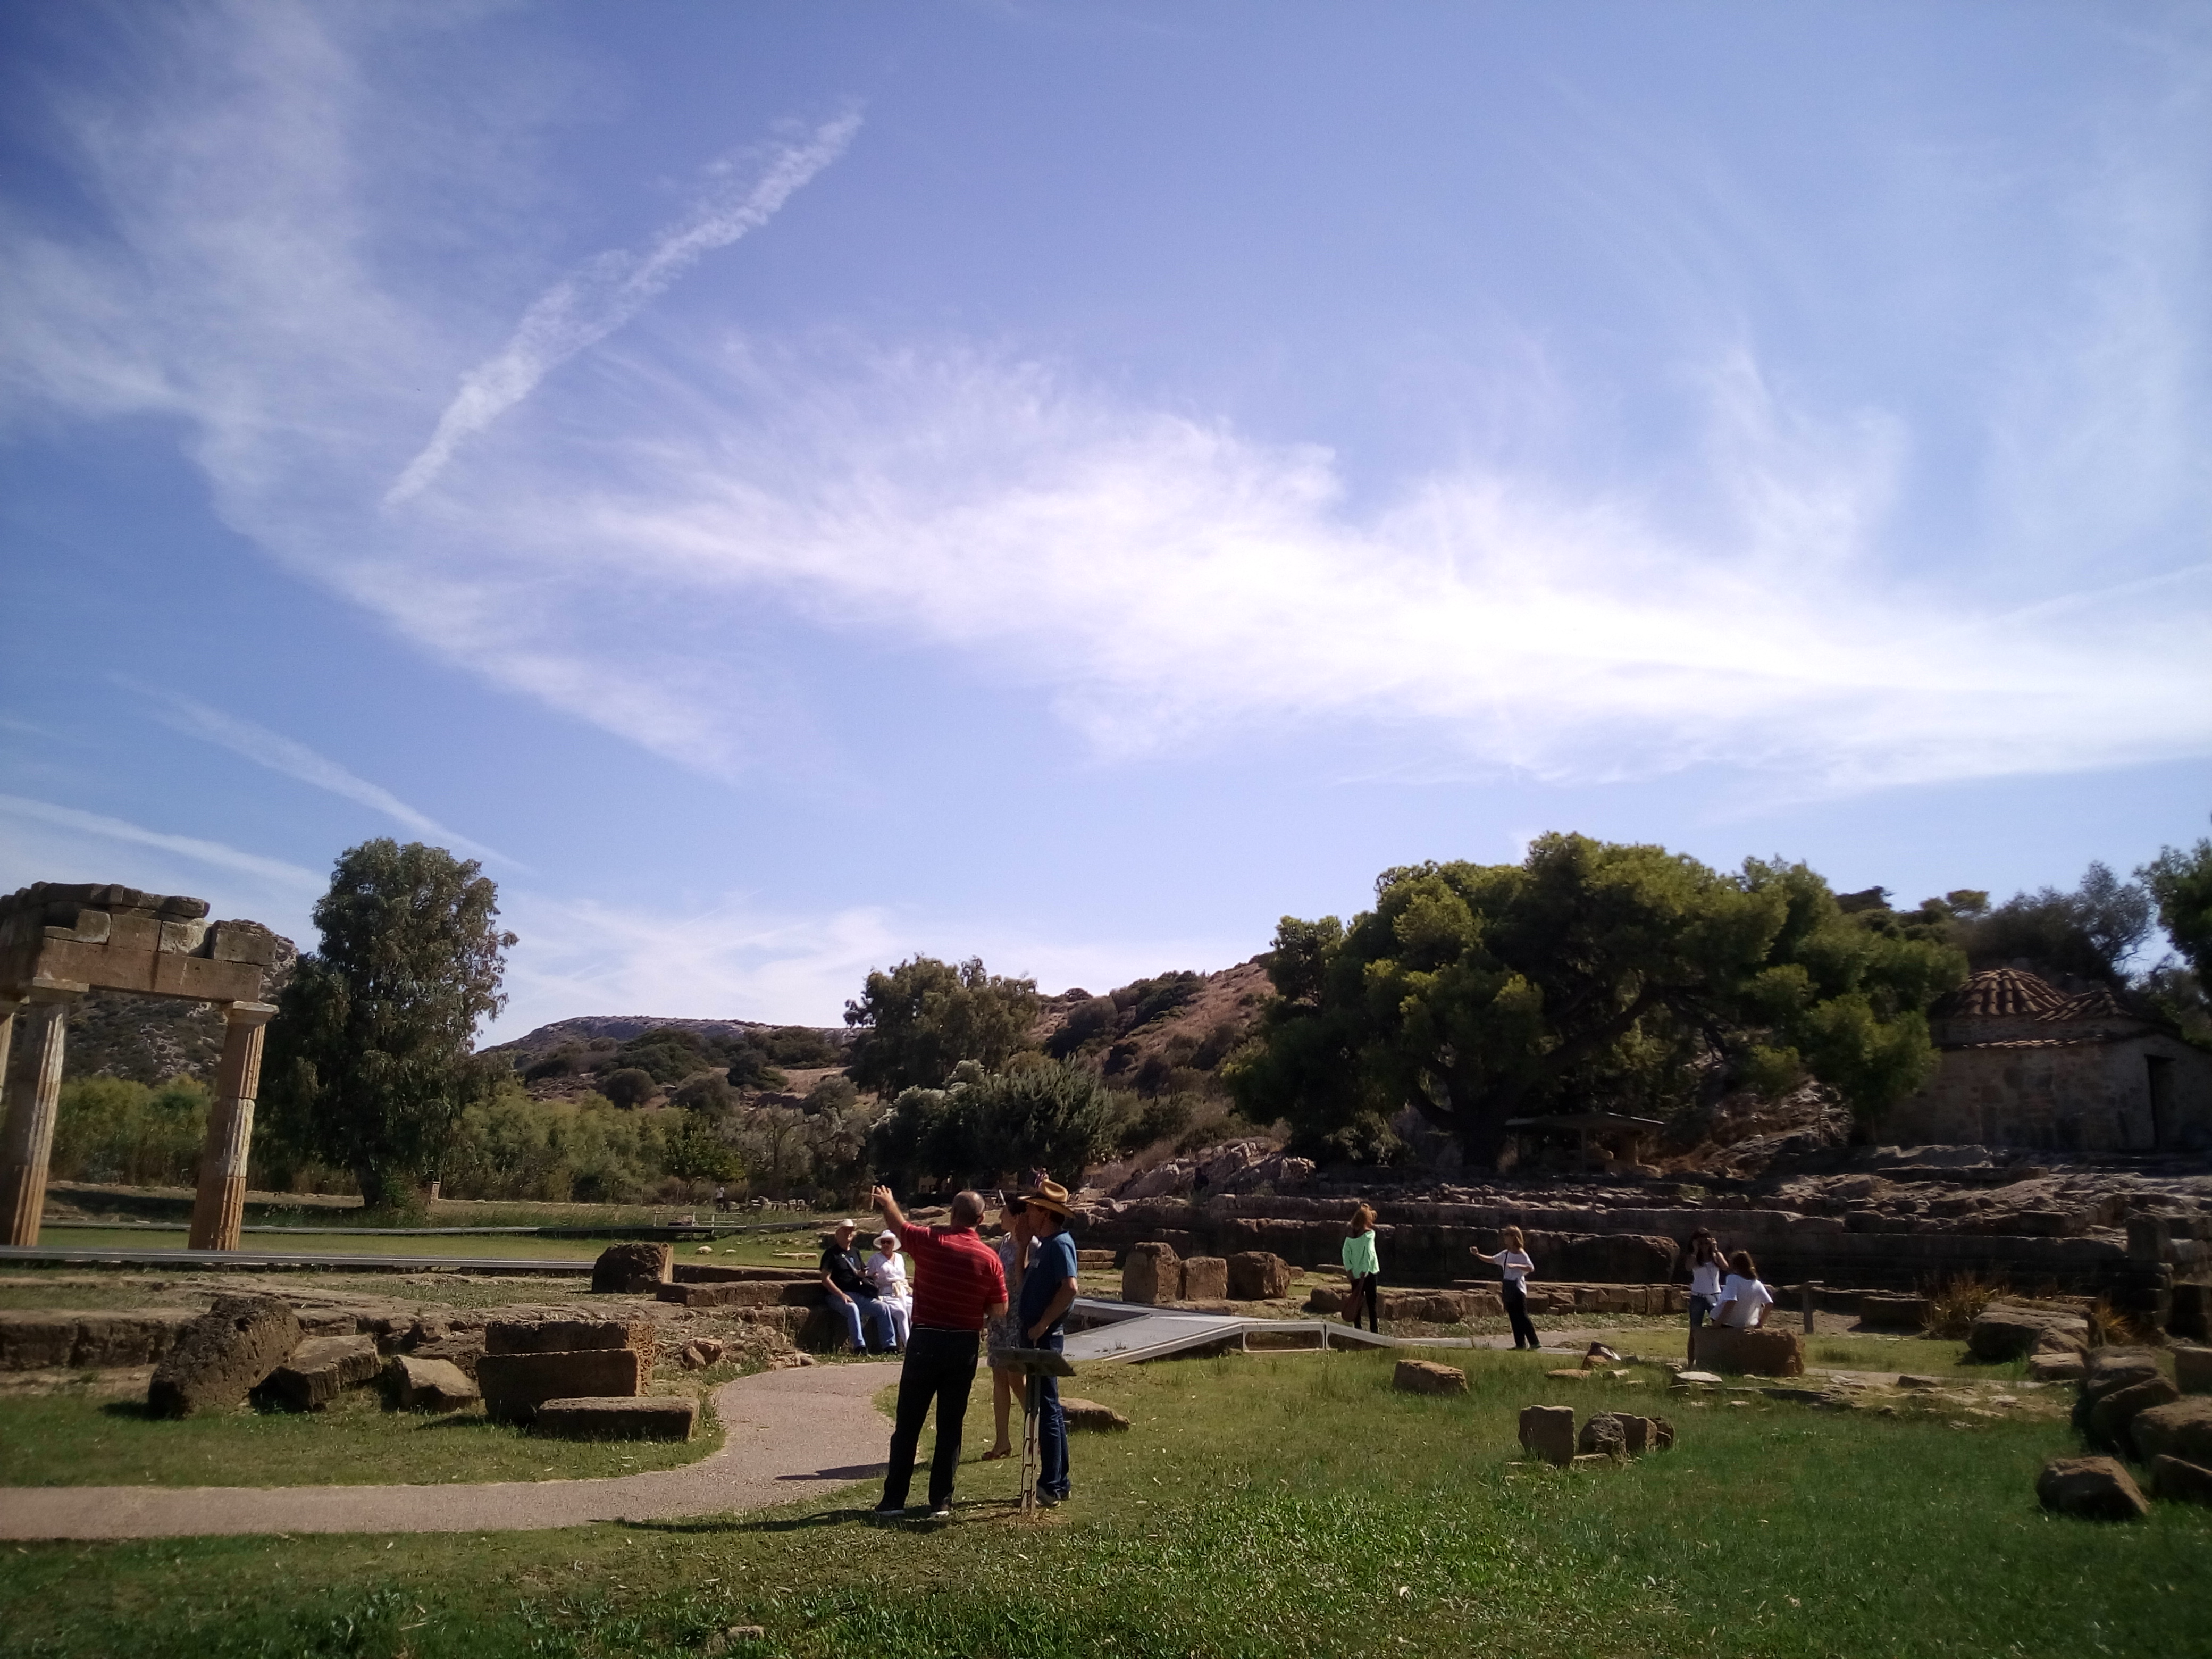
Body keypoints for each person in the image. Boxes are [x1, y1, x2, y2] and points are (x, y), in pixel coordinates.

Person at [869, 1185, 1008, 1521]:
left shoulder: (931, 1241)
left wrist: (888, 1201)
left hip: (926, 1339)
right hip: (963, 1344)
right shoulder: (990, 1258)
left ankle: (894, 1500)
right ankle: (941, 1502)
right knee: (950, 1424)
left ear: (952, 1214)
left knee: (909, 1422)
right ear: (981, 1219)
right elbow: (1000, 1309)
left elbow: (899, 1226)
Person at [1017, 1177, 1081, 1508]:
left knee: (1049, 1409)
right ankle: (1060, 1481)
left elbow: (1070, 1288)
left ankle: (1051, 1485)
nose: (1027, 1213)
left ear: (1044, 1212)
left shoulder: (1060, 1244)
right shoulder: (1043, 1246)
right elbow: (1023, 1284)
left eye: (1032, 1208)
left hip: (1045, 1339)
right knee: (1047, 1407)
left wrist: (1043, 1323)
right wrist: (1022, 1247)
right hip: (1033, 1337)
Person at [981, 1193, 1035, 1462]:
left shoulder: (1032, 1245)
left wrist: (1022, 1248)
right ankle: (1002, 1440)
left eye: (1004, 1212)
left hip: (1018, 1318)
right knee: (999, 1377)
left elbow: (1024, 1281)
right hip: (999, 1317)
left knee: (1016, 1378)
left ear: (1016, 1217)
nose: (1000, 1216)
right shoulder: (1003, 1241)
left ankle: (1038, 1431)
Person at [820, 1218, 890, 1354]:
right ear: (837, 1234)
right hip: (836, 1295)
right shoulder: (831, 1254)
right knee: (852, 1308)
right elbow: (825, 1279)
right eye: (845, 1230)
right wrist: (841, 1295)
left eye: (851, 1230)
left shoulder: (855, 1252)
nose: (849, 1233)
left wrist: (866, 1275)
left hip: (858, 1294)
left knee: (883, 1308)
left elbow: (860, 1272)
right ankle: (860, 1347)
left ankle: (890, 1346)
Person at [1473, 1226, 1539, 1350]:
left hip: (1518, 1288)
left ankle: (1534, 1342)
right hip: (1508, 1286)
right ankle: (1520, 1344)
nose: (1505, 1237)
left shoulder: (1521, 1253)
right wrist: (1478, 1255)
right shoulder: (1506, 1253)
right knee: (1513, 1316)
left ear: (1514, 1237)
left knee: (1522, 1316)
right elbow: (1492, 1260)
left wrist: (1516, 1266)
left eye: (1507, 1235)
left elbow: (1531, 1268)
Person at [867, 1228, 912, 1353]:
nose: (886, 1245)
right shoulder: (875, 1259)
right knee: (901, 1313)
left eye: (889, 1242)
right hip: (887, 1293)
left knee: (914, 1310)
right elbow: (866, 1275)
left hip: (903, 1291)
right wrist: (874, 1277)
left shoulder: (899, 1258)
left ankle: (918, 1343)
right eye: (884, 1242)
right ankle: (909, 1346)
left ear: (894, 1244)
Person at [1684, 1228, 1726, 1362]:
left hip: (1715, 1295)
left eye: (1706, 1243)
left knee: (1719, 1327)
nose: (1704, 1246)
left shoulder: (1715, 1256)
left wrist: (1716, 1250)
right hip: (1698, 1296)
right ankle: (1691, 1363)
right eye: (1701, 1243)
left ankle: (1716, 1360)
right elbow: (1688, 1267)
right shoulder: (1694, 1257)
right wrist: (1696, 1251)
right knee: (1694, 1330)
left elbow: (1725, 1267)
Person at [1340, 1203, 1381, 1333]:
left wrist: (1349, 1269)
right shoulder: (1369, 1235)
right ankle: (1374, 1330)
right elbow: (1369, 1253)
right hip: (1369, 1273)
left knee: (1357, 1301)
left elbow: (1345, 1253)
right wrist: (1365, 1270)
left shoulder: (1350, 1236)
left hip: (1355, 1274)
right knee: (1371, 1302)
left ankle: (1357, 1329)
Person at [1714, 1250, 1775, 1330]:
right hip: (1746, 1325)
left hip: (1727, 1323)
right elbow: (1769, 1303)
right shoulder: (1757, 1283)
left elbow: (1731, 1301)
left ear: (1734, 1265)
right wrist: (1761, 1323)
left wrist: (1718, 1323)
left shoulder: (1733, 1279)